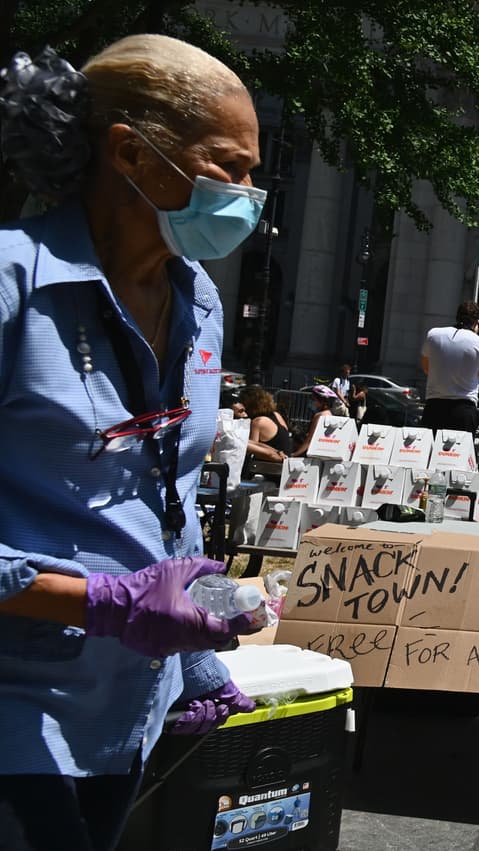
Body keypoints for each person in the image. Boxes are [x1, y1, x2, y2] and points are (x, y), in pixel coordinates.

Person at [0, 36, 264, 849]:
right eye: (231, 166)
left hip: (127, 719)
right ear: (130, 153)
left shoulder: (200, 303)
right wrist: (104, 602)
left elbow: (164, 501)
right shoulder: (12, 282)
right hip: (19, 713)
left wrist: (207, 636)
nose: (252, 195)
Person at [420, 301, 479, 433]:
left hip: (434, 407)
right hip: (464, 410)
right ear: (477, 322)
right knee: (459, 453)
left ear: (457, 317)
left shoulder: (433, 334)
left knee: (430, 452)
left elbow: (426, 367)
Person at [240, 385, 293, 466]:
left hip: (271, 465)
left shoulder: (258, 422)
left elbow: (252, 450)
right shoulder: (276, 415)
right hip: (286, 462)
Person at [291, 384, 340, 457]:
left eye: (313, 399)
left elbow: (310, 439)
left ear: (322, 401)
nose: (312, 402)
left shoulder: (319, 415)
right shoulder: (330, 414)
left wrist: (295, 454)